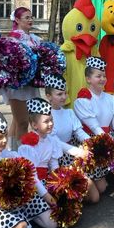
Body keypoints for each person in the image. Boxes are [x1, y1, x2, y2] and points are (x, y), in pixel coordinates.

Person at [18, 98, 87, 228]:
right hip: (32, 186)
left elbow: (53, 165)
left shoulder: (51, 140)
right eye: (46, 121)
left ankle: (44, 210)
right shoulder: (28, 145)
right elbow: (31, 175)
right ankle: (30, 214)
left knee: (65, 207)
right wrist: (45, 194)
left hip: (45, 181)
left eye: (51, 120)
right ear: (34, 125)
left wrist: (60, 184)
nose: (50, 124)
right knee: (52, 224)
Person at [73, 57, 114, 190]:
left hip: (108, 139)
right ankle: (96, 177)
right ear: (88, 79)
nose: (102, 79)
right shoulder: (82, 100)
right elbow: (95, 127)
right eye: (98, 76)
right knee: (101, 189)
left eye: (104, 76)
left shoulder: (111, 99)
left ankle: (111, 173)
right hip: (92, 142)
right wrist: (111, 146)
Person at [44, 74, 102, 202]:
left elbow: (79, 132)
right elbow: (56, 142)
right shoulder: (46, 118)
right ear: (48, 96)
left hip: (73, 155)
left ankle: (77, 193)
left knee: (101, 189)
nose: (64, 97)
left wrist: (93, 143)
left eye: (65, 93)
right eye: (59, 94)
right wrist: (79, 152)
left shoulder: (68, 112)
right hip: (58, 158)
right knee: (94, 197)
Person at [6, 7, 41, 146]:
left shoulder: (36, 39)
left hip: (32, 84)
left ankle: (12, 152)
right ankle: (21, 155)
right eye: (27, 17)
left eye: (31, 17)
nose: (30, 20)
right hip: (18, 85)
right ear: (17, 20)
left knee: (18, 120)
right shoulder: (13, 39)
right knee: (22, 122)